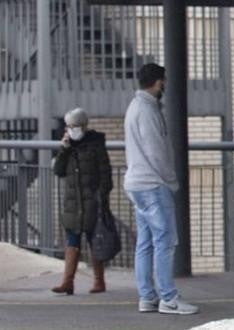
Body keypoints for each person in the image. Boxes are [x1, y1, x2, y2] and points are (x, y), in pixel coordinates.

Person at [123, 63, 198, 315]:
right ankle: (169, 298)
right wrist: (171, 180)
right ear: (157, 82)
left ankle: (147, 297)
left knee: (145, 242)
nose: (165, 84)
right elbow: (157, 152)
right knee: (165, 241)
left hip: (137, 183)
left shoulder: (135, 106)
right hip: (153, 184)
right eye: (163, 81)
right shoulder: (148, 111)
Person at [50, 107, 112, 295]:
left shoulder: (95, 144)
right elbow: (58, 171)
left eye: (75, 126)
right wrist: (64, 149)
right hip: (73, 203)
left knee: (95, 240)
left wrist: (100, 197)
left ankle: (99, 281)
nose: (71, 129)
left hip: (91, 202)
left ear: (84, 126)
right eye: (68, 126)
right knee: (72, 241)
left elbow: (105, 174)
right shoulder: (68, 147)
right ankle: (67, 282)